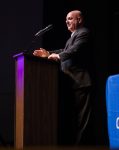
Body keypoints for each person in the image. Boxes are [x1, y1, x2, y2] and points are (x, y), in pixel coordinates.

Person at [33, 10, 94, 145]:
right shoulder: (71, 37)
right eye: (66, 19)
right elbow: (64, 50)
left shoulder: (83, 33)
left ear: (79, 20)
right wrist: (48, 53)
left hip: (81, 82)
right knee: (74, 120)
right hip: (72, 83)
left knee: (82, 120)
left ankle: (82, 146)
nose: (67, 21)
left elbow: (74, 50)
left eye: (70, 18)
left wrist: (58, 56)